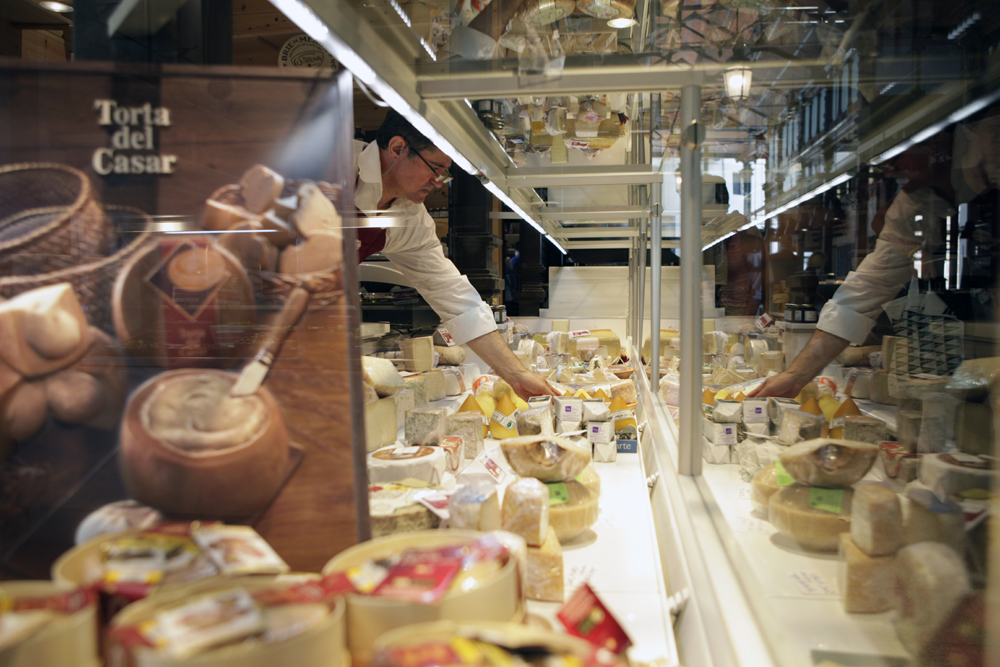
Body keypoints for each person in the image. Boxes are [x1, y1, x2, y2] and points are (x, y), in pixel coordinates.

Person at [750, 108, 1000, 399]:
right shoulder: (915, 203)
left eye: (895, 157)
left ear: (936, 141)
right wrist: (797, 375)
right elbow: (866, 289)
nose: (891, 171)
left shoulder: (989, 140)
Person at [354, 110, 556, 400]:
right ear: (398, 148)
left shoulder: (410, 218)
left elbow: (455, 297)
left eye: (444, 173)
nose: (439, 182)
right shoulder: (330, 165)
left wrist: (517, 375)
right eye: (435, 168)